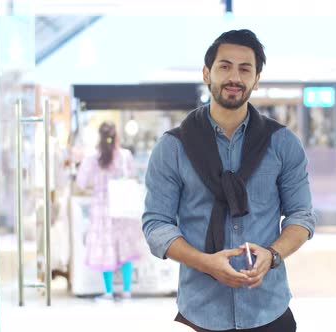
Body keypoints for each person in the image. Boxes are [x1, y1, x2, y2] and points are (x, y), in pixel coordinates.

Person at [142, 29, 316, 332]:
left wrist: (272, 255)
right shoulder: (173, 146)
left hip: (268, 308)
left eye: (245, 69)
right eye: (224, 66)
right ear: (207, 73)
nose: (234, 77)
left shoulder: (283, 143)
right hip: (201, 310)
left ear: (257, 79)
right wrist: (203, 262)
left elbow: (302, 216)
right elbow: (156, 224)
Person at [76, 121, 143, 301]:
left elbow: (81, 182)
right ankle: (127, 291)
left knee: (106, 249)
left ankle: (108, 292)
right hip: (122, 207)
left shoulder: (92, 157)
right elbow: (132, 178)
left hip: (101, 209)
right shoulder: (125, 156)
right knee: (124, 248)